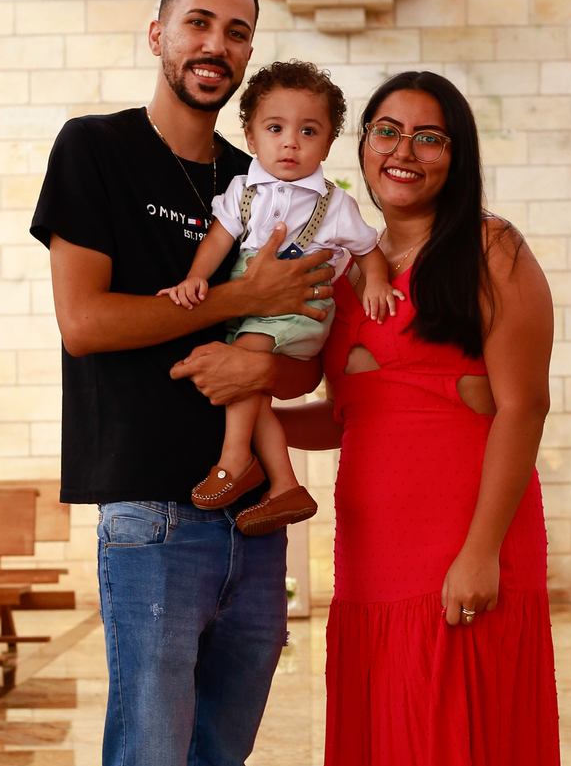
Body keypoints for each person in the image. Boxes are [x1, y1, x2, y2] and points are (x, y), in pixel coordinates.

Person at [30, 0, 331, 766]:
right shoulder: (97, 150)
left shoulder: (263, 172)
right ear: (158, 33)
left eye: (237, 31)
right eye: (199, 22)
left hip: (251, 519)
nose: (217, 43)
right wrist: (234, 299)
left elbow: (299, 333)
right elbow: (86, 321)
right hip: (149, 516)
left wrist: (266, 348)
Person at [279, 71, 571, 766]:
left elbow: (522, 407)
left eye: (430, 136)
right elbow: (350, 410)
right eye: (387, 131)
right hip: (370, 562)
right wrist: (252, 412)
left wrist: (481, 552)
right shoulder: (343, 262)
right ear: (360, 146)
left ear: (460, 152)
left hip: (461, 551)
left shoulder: (491, 251)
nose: (404, 151)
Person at [160, 59, 396, 536]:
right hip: (255, 311)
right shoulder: (241, 190)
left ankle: (234, 460)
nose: (291, 142)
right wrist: (196, 277)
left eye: (308, 131)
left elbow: (368, 249)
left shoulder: (333, 203)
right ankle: (285, 485)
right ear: (250, 137)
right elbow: (219, 239)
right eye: (275, 128)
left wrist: (376, 281)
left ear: (328, 143)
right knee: (253, 393)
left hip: (299, 310)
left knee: (242, 364)